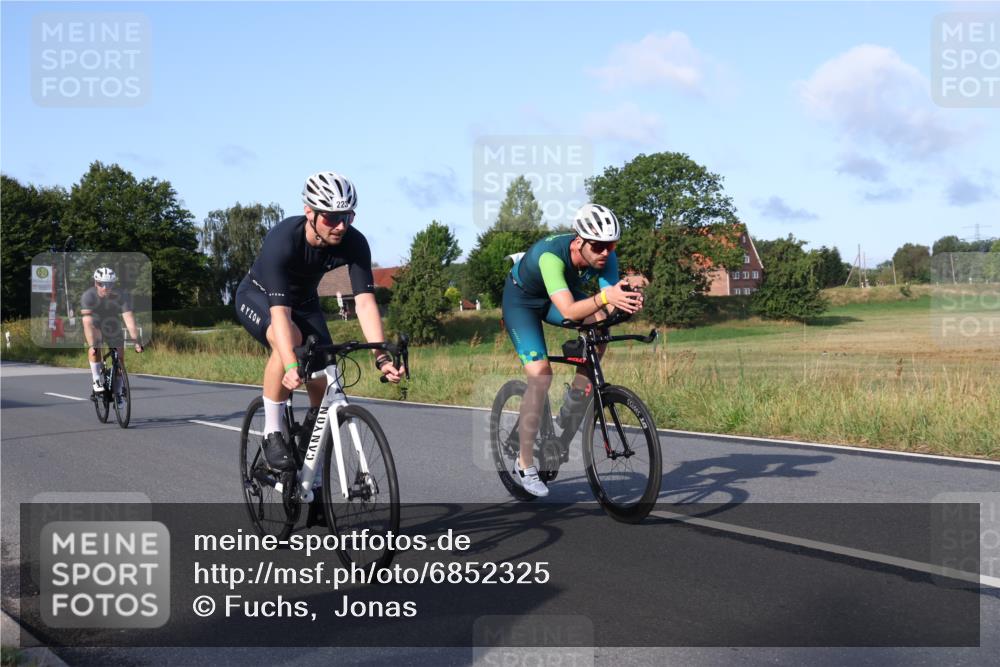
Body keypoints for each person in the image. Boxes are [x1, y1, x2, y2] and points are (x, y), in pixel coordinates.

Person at [235, 171, 404, 472]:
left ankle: (309, 451)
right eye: (331, 217)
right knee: (290, 340)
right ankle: (273, 432)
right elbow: (280, 314)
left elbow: (364, 303)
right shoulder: (283, 240)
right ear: (309, 212)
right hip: (260, 298)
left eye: (347, 217)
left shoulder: (354, 243)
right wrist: (289, 365)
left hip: (305, 302)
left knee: (325, 368)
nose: (340, 226)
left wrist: (380, 356)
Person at [500, 203, 644, 496]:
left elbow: (609, 301)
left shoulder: (607, 257)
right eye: (599, 246)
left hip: (558, 294)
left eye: (611, 245)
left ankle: (573, 403)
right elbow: (569, 309)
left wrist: (627, 301)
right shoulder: (551, 256)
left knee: (601, 327)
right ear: (580, 241)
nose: (605, 252)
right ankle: (525, 464)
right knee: (540, 374)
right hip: (523, 302)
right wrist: (606, 296)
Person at [80, 267, 143, 402]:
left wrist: (136, 341)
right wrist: (93, 344)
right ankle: (96, 379)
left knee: (119, 358)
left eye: (109, 284)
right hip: (95, 324)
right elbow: (87, 321)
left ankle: (119, 392)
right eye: (101, 284)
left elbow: (129, 319)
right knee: (94, 346)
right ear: (95, 283)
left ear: (114, 284)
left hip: (113, 325)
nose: (105, 287)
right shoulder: (88, 295)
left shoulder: (122, 295)